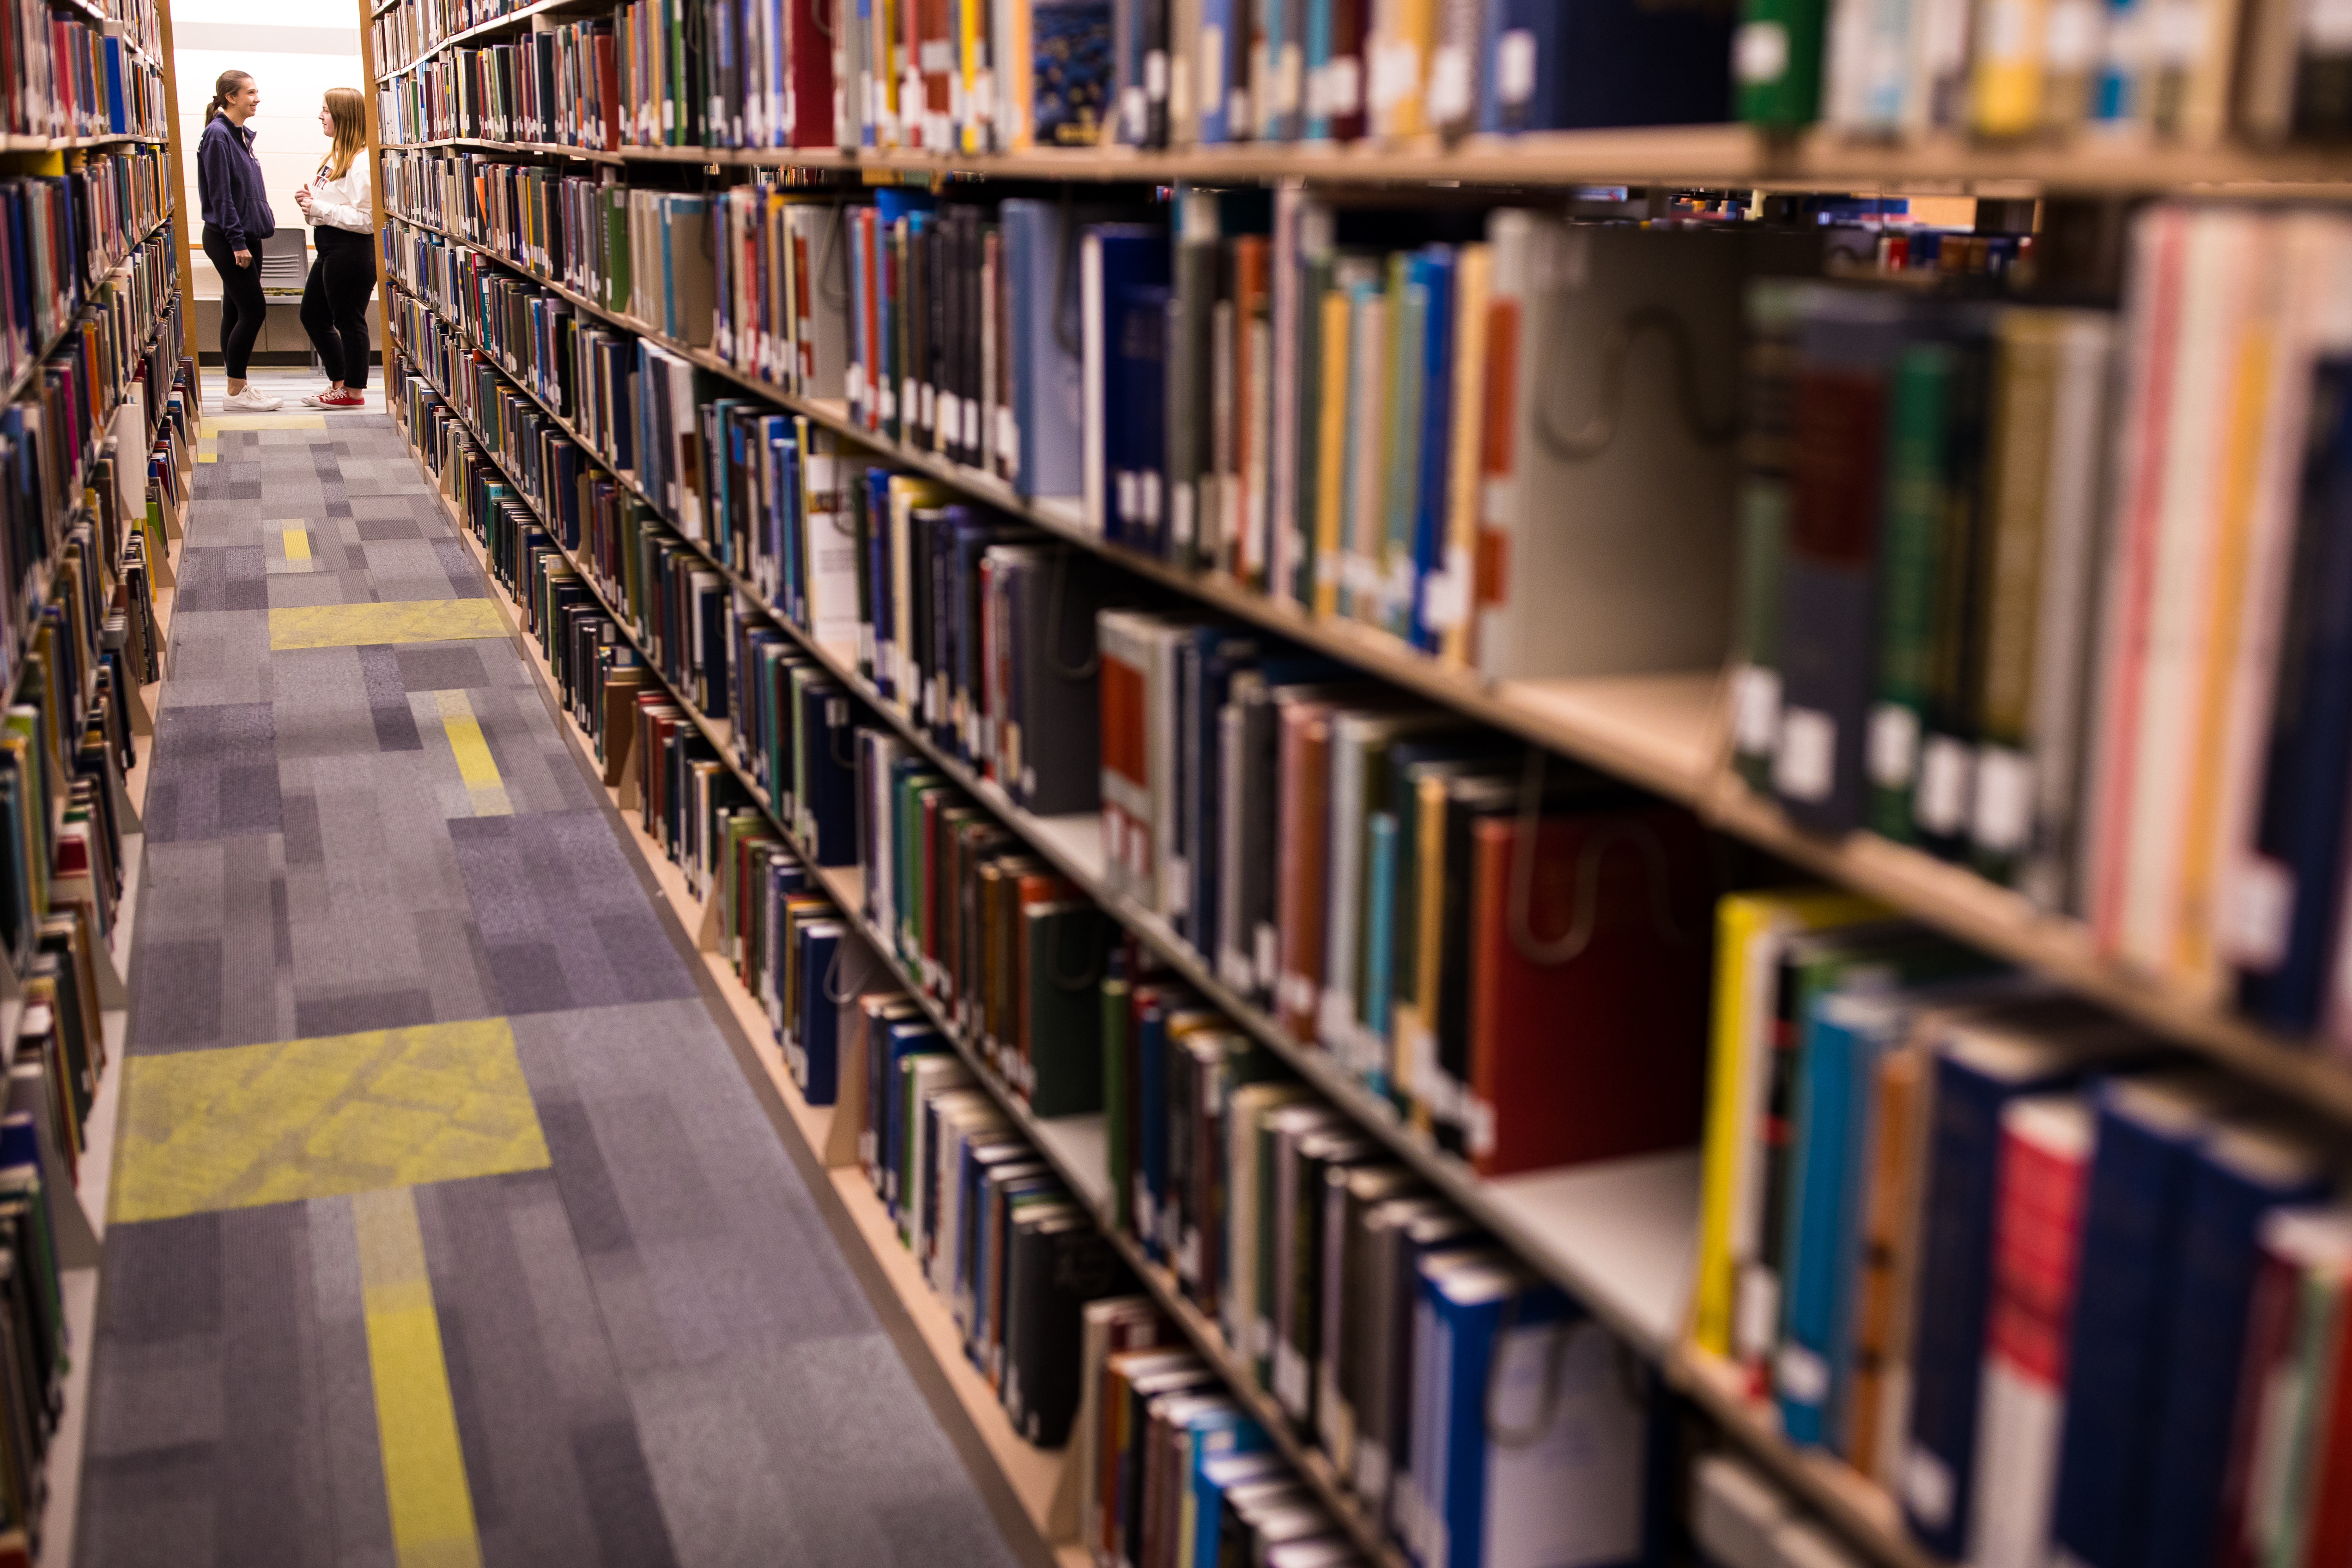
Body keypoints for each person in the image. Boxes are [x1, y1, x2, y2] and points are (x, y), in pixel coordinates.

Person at [196, 70, 280, 413]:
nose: (257, 98)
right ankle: (236, 390)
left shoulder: (240, 135)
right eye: (251, 92)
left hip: (247, 234)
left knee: (234, 308)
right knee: (253, 309)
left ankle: (236, 386)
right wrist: (236, 242)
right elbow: (221, 197)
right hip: (230, 238)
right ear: (231, 97)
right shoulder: (218, 136)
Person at [294, 89, 376, 411]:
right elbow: (332, 202)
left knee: (349, 319)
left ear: (343, 116)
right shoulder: (336, 156)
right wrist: (310, 203)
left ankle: (353, 391)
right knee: (313, 314)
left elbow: (369, 220)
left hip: (351, 250)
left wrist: (320, 208)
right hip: (329, 246)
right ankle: (339, 382)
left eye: (326, 110)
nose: (320, 116)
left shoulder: (361, 162)